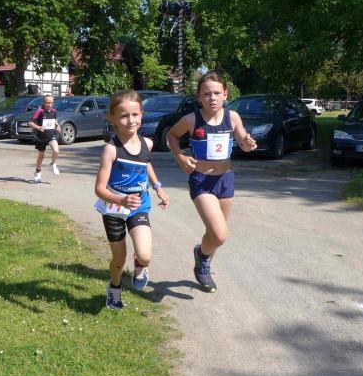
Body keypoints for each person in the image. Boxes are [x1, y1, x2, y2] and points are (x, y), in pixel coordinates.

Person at [166, 70, 257, 293]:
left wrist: (248, 144)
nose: (212, 98)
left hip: (226, 179)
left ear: (225, 94)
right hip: (201, 181)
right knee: (219, 234)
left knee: (214, 233)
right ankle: (201, 255)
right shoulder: (191, 120)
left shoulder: (232, 117)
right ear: (199, 97)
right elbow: (172, 135)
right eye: (206, 94)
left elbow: (243, 142)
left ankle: (204, 266)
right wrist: (180, 157)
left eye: (217, 93)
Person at [94, 90, 170, 310]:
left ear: (141, 115)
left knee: (145, 255)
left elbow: (146, 164)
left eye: (135, 114)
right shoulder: (111, 150)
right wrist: (121, 200)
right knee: (119, 261)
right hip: (114, 209)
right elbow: (99, 189)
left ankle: (139, 265)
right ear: (113, 118)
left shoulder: (148, 143)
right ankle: (115, 286)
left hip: (139, 206)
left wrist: (158, 187)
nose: (131, 120)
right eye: (124, 116)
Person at [28, 95, 61, 183]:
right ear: (44, 102)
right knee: (41, 156)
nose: (50, 105)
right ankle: (38, 172)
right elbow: (30, 123)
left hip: (51, 134)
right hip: (41, 137)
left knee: (56, 150)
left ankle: (53, 164)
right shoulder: (39, 111)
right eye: (48, 102)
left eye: (51, 103)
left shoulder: (54, 111)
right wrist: (38, 127)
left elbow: (54, 119)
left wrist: (58, 125)